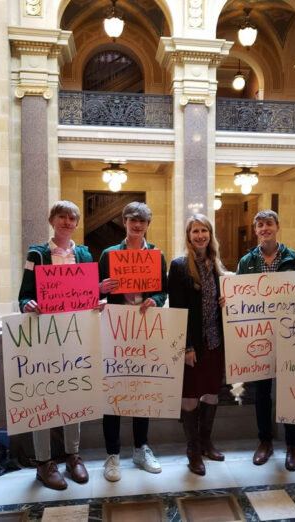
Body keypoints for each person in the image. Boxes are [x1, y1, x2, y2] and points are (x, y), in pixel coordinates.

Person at [18, 200, 109, 490]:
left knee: (75, 391)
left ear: (77, 223)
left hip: (76, 333)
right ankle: (44, 462)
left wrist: (99, 297)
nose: (67, 222)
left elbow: (86, 293)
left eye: (72, 218)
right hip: (44, 334)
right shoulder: (37, 253)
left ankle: (73, 455)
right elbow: (23, 295)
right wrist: (26, 304)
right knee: (40, 395)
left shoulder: (83, 253)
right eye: (62, 217)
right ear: (51, 220)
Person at [98, 202, 168, 482]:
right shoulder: (109, 254)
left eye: (142, 221)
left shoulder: (155, 254)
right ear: (124, 222)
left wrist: (157, 299)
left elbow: (163, 289)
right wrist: (100, 289)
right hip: (115, 328)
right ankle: (112, 455)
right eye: (132, 220)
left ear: (148, 225)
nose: (137, 225)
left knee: (142, 391)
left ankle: (140, 449)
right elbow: (94, 290)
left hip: (145, 328)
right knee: (113, 391)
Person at [235, 210, 295, 470]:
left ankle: (292, 445)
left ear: (278, 227)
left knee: (288, 390)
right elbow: (240, 294)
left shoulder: (293, 258)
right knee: (261, 392)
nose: (265, 229)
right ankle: (264, 441)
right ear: (255, 230)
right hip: (258, 334)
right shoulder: (247, 261)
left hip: (289, 332)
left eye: (269, 224)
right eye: (260, 225)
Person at [168, 214, 226, 475]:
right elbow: (178, 308)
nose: (200, 235)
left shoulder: (216, 264)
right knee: (190, 396)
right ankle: (192, 450)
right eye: (195, 231)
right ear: (188, 236)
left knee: (211, 393)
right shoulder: (179, 266)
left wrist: (227, 302)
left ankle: (206, 442)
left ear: (210, 235)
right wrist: (187, 346)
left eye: (204, 230)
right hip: (193, 344)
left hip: (215, 342)